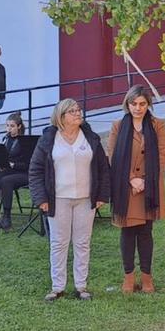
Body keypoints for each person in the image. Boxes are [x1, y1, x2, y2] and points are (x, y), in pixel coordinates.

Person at [29, 99, 110, 302]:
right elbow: (36, 170)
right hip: (58, 199)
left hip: (85, 198)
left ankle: (81, 286)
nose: (78, 113)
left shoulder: (90, 137)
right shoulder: (49, 139)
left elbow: (103, 167)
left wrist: (102, 195)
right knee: (59, 242)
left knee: (82, 242)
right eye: (72, 111)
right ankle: (58, 287)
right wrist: (41, 198)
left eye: (79, 110)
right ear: (61, 116)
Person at [108, 86, 165, 294]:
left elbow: (162, 157)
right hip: (126, 187)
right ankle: (128, 277)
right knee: (127, 231)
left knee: (145, 232)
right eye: (134, 104)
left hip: (148, 186)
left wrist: (143, 180)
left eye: (142, 104)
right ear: (127, 104)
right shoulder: (118, 126)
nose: (138, 108)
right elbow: (113, 157)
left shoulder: (158, 125)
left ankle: (146, 277)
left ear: (148, 104)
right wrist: (130, 179)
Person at [0, 113, 31, 232]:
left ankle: (6, 217)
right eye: (7, 126)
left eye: (12, 126)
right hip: (10, 171)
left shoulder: (26, 141)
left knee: (6, 181)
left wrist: (13, 164)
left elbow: (29, 164)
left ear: (19, 127)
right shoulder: (6, 139)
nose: (9, 129)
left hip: (24, 173)